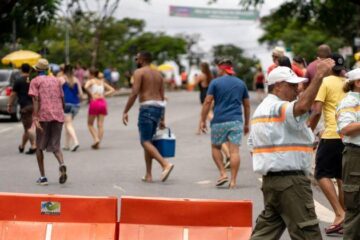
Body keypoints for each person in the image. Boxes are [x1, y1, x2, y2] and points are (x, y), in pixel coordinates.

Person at [249, 60, 335, 240]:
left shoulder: (261, 111)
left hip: (272, 182)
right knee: (307, 233)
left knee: (265, 232)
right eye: (293, 85)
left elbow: (253, 147)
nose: (298, 89)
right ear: (278, 86)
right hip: (291, 181)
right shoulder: (278, 107)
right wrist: (319, 75)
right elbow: (303, 106)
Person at [308, 53, 346, 235]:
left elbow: (316, 111)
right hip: (348, 137)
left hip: (331, 134)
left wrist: (307, 132)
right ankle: (343, 217)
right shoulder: (348, 83)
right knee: (341, 177)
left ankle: (339, 214)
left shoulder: (326, 82)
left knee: (321, 173)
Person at [122, 51, 174, 183]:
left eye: (136, 59)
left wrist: (125, 111)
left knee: (144, 141)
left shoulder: (139, 73)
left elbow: (134, 93)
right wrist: (162, 118)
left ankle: (165, 164)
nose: (135, 61)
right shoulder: (158, 74)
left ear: (141, 60)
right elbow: (162, 97)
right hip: (158, 109)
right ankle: (148, 174)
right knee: (149, 142)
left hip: (147, 109)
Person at [200, 59, 250, 189]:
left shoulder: (215, 83)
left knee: (216, 147)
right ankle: (233, 181)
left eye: (217, 68)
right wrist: (246, 123)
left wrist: (202, 120)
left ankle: (223, 173)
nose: (216, 71)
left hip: (219, 121)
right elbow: (247, 105)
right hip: (236, 121)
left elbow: (207, 101)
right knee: (234, 152)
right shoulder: (241, 83)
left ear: (221, 69)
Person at [28, 58, 67, 186]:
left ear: (37, 69)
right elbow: (62, 98)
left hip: (44, 116)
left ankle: (43, 177)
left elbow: (35, 100)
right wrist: (61, 111)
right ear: (48, 69)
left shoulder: (35, 81)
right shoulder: (56, 80)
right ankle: (62, 164)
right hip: (58, 115)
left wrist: (35, 116)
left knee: (39, 146)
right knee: (56, 145)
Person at [336, 68, 360, 239]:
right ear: (358, 83)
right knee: (356, 207)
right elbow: (346, 128)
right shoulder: (349, 101)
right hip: (356, 156)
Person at [7, 63, 36, 154]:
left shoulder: (18, 80)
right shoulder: (32, 80)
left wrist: (9, 105)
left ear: (21, 70)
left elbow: (13, 94)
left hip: (25, 107)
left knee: (28, 128)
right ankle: (22, 146)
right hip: (34, 106)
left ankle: (34, 145)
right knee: (27, 128)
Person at [84, 68, 115, 149]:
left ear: (91, 74)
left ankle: (96, 139)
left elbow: (85, 87)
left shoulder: (91, 81)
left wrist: (91, 94)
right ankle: (98, 142)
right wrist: (104, 94)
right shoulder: (102, 82)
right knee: (100, 125)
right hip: (102, 102)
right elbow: (112, 90)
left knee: (90, 124)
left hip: (95, 102)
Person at [60, 64, 83, 152]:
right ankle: (66, 145)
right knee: (68, 124)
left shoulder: (62, 79)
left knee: (68, 124)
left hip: (67, 104)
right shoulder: (76, 80)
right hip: (76, 105)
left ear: (63, 71)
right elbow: (80, 94)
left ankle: (76, 142)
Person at [195, 62, 213, 134]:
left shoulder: (201, 76)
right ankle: (199, 130)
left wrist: (195, 78)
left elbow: (194, 84)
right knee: (204, 112)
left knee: (205, 113)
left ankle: (216, 122)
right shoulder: (210, 75)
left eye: (201, 67)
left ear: (203, 68)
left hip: (203, 95)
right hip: (209, 94)